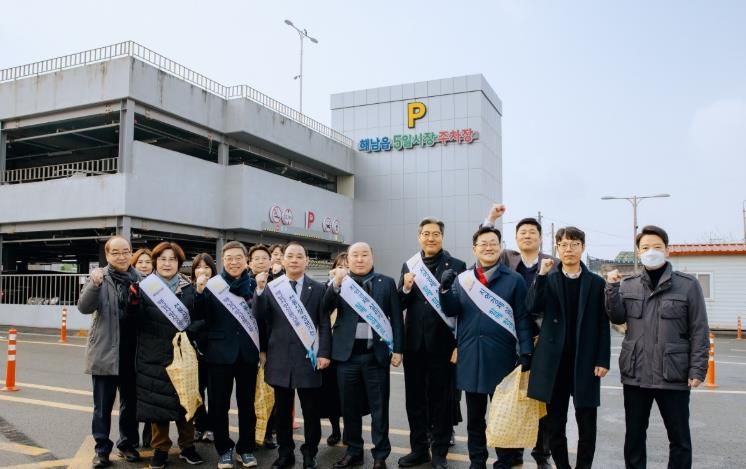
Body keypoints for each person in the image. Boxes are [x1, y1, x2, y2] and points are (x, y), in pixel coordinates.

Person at [605, 225, 709, 469]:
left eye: (657, 247)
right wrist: (611, 288)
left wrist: (697, 369)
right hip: (636, 373)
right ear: (638, 252)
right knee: (634, 436)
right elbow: (616, 317)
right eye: (645, 247)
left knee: (679, 437)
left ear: (667, 250)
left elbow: (699, 329)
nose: (651, 251)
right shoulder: (628, 284)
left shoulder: (688, 285)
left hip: (673, 373)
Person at [439, 226, 534, 469]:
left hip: (503, 357)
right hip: (471, 355)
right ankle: (477, 461)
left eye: (493, 243)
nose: (488, 247)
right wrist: (445, 290)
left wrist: (526, 351)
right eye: (483, 244)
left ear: (500, 247)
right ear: (475, 249)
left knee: (504, 414)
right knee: (475, 418)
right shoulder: (463, 279)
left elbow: (522, 318)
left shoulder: (514, 280)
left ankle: (504, 461)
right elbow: (451, 310)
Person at [525, 227, 610, 469]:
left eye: (574, 244)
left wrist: (602, 359)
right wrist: (541, 275)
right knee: (555, 423)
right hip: (554, 363)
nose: (569, 249)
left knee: (587, 423)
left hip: (585, 361)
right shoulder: (549, 278)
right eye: (563, 245)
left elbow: (603, 324)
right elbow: (532, 306)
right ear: (557, 248)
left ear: (583, 247)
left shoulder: (596, 282)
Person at [482, 204, 557, 469]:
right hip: (510, 339)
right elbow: (485, 243)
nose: (527, 236)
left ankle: (542, 454)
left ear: (540, 238)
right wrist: (491, 219)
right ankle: (513, 452)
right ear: (515, 238)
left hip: (543, 340)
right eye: (522, 232)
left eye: (532, 232)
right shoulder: (507, 259)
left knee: (541, 399)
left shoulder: (554, 264)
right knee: (512, 397)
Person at [325, 242, 404, 469]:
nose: (359, 259)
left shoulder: (386, 282)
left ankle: (380, 455)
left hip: (375, 356)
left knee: (380, 410)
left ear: (372, 256)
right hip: (346, 357)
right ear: (348, 259)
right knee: (349, 408)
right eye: (355, 255)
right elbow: (325, 307)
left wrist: (398, 349)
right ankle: (354, 451)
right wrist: (336, 284)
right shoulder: (340, 281)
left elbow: (396, 318)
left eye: (364, 255)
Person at [254, 241, 332, 469]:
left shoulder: (318, 288)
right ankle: (285, 453)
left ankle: (310, 453)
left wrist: (324, 353)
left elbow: (324, 324)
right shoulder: (272, 287)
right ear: (283, 260)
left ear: (306, 261)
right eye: (290, 256)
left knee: (311, 412)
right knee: (282, 413)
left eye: (299, 256)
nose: (295, 260)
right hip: (279, 358)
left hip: (309, 358)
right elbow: (260, 318)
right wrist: (259, 290)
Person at [397, 217, 466, 469]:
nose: (430, 238)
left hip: (443, 345)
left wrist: (459, 344)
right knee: (415, 400)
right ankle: (418, 450)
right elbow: (399, 304)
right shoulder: (409, 265)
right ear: (419, 237)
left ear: (442, 237)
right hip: (414, 345)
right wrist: (405, 288)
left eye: (435, 234)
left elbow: (462, 308)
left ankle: (439, 452)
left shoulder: (457, 265)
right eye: (426, 234)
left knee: (442, 401)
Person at [134, 241, 204, 469]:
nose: (167, 263)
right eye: (162, 259)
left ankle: (187, 446)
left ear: (179, 263)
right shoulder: (144, 288)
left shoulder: (190, 289)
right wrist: (131, 301)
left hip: (184, 353)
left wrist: (189, 332)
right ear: (155, 262)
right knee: (158, 404)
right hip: (153, 352)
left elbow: (202, 318)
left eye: (172, 259)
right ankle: (160, 449)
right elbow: (134, 318)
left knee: (186, 402)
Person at [78, 235, 141, 468]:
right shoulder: (99, 278)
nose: (121, 256)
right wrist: (93, 285)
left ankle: (127, 444)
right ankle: (102, 450)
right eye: (115, 252)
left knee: (130, 405)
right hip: (105, 352)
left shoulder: (142, 279)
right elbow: (84, 307)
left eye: (125, 251)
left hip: (133, 354)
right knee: (102, 407)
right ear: (107, 255)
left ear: (131, 253)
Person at [201, 241, 263, 469]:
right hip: (219, 354)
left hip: (248, 353)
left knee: (247, 405)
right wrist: (199, 292)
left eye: (238, 258)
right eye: (229, 258)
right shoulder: (212, 286)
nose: (234, 262)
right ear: (222, 261)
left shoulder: (256, 285)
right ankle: (224, 449)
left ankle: (245, 449)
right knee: (218, 405)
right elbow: (201, 317)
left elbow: (264, 320)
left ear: (246, 260)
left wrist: (263, 350)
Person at [247, 243, 278, 450]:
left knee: (271, 392)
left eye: (264, 258)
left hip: (273, 346)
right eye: (256, 258)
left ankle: (269, 432)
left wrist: (266, 349)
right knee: (250, 392)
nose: (260, 262)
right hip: (250, 345)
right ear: (249, 263)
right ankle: (251, 432)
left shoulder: (279, 283)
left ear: (270, 261)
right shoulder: (244, 284)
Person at [319, 252, 347, 446]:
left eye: (347, 266)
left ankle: (350, 430)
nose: (343, 270)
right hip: (329, 347)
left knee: (349, 394)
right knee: (330, 393)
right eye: (340, 266)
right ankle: (335, 429)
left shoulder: (360, 288)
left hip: (348, 349)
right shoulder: (326, 287)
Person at [191, 253, 217, 444]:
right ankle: (200, 425)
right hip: (194, 349)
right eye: (198, 267)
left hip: (215, 349)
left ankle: (212, 427)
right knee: (197, 390)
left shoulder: (221, 289)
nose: (203, 270)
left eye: (207, 267)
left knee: (215, 392)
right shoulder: (188, 290)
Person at [129, 247, 154, 449]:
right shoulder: (130, 284)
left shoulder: (159, 286)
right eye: (140, 262)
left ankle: (150, 436)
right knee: (132, 397)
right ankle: (130, 438)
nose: (144, 266)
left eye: (148, 262)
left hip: (152, 348)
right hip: (132, 346)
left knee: (151, 395)